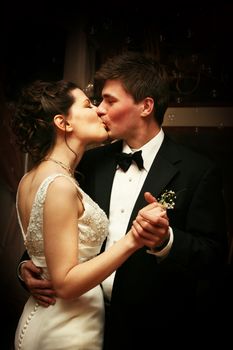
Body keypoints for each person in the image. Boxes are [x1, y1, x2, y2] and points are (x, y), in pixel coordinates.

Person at [18, 52, 228, 348]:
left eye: (109, 101)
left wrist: (165, 240)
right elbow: (53, 223)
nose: (100, 110)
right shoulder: (88, 164)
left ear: (145, 106)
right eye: (96, 102)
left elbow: (214, 258)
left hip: (153, 330)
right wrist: (27, 266)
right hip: (77, 320)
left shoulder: (197, 171)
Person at [12, 79, 170, 350]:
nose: (98, 110)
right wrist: (133, 240)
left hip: (43, 320)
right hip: (67, 331)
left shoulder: (30, 179)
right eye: (89, 104)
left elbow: (45, 247)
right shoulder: (60, 184)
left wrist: (30, 268)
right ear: (64, 123)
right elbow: (64, 283)